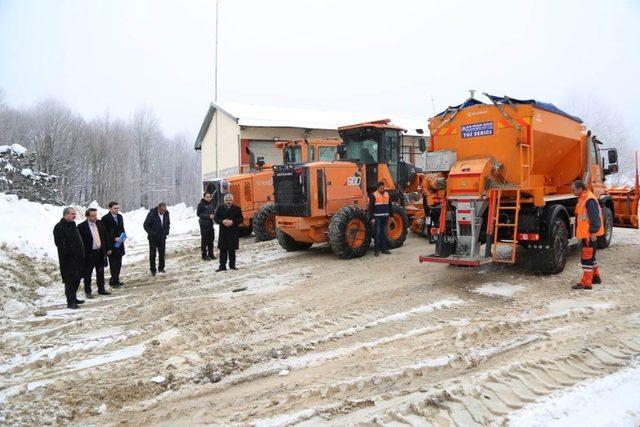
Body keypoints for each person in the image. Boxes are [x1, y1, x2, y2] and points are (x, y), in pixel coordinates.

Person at [571, 180, 604, 290]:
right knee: (591, 256)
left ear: (580, 189)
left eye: (573, 190)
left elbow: (595, 218)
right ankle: (595, 277)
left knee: (586, 259)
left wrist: (593, 233)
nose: (572, 192)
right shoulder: (583, 197)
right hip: (588, 234)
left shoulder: (588, 199)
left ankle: (586, 283)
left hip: (589, 235)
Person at [53, 207, 85, 309]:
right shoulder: (59, 227)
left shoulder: (72, 225)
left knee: (77, 279)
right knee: (70, 281)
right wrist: (71, 253)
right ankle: (70, 302)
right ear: (65, 214)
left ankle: (74, 298)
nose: (74, 216)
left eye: (74, 214)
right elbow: (61, 244)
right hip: (68, 260)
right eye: (72, 214)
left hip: (78, 259)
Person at [78, 208, 111, 298]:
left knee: (100, 272)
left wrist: (108, 248)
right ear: (87, 216)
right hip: (89, 253)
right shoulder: (81, 226)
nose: (95, 217)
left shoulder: (100, 223)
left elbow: (105, 236)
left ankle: (101, 289)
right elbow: (80, 242)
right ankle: (88, 291)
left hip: (100, 252)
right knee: (88, 273)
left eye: (95, 215)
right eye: (92, 216)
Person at [214, 193, 244, 272]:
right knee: (223, 250)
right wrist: (222, 221)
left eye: (230, 200)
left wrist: (233, 222)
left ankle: (232, 265)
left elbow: (241, 219)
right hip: (223, 232)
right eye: (227, 200)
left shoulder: (237, 209)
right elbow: (216, 218)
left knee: (232, 250)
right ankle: (222, 266)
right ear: (224, 201)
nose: (228, 202)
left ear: (232, 200)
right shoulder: (220, 208)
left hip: (233, 232)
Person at [101, 201, 126, 288]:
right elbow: (105, 233)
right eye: (115, 208)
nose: (117, 210)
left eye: (118, 208)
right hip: (111, 244)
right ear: (110, 208)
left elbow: (122, 228)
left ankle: (116, 278)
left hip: (120, 243)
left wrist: (124, 236)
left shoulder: (120, 216)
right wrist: (114, 238)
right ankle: (114, 281)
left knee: (119, 263)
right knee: (113, 263)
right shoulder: (105, 218)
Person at [144, 202, 170, 276]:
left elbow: (168, 223)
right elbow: (145, 225)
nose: (163, 212)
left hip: (162, 237)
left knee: (162, 253)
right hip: (153, 238)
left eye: (164, 210)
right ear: (158, 208)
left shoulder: (166, 213)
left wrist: (166, 232)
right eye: (162, 210)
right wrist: (152, 233)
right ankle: (153, 270)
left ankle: (161, 268)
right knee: (153, 254)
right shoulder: (152, 214)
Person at [369, 181, 392, 256]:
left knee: (384, 234)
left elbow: (390, 206)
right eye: (381, 188)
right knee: (377, 234)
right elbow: (371, 207)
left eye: (383, 187)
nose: (383, 189)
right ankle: (376, 250)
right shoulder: (374, 195)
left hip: (385, 217)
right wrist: (372, 218)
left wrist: (391, 216)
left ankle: (384, 249)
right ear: (378, 188)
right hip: (377, 217)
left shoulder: (387, 194)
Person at [197, 192, 216, 261]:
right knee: (204, 240)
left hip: (210, 224)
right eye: (207, 197)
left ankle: (211, 254)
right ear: (204, 197)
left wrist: (214, 215)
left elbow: (213, 212)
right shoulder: (201, 204)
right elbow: (199, 214)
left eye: (209, 197)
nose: (208, 198)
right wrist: (208, 216)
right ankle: (204, 255)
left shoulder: (211, 204)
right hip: (204, 224)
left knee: (211, 239)